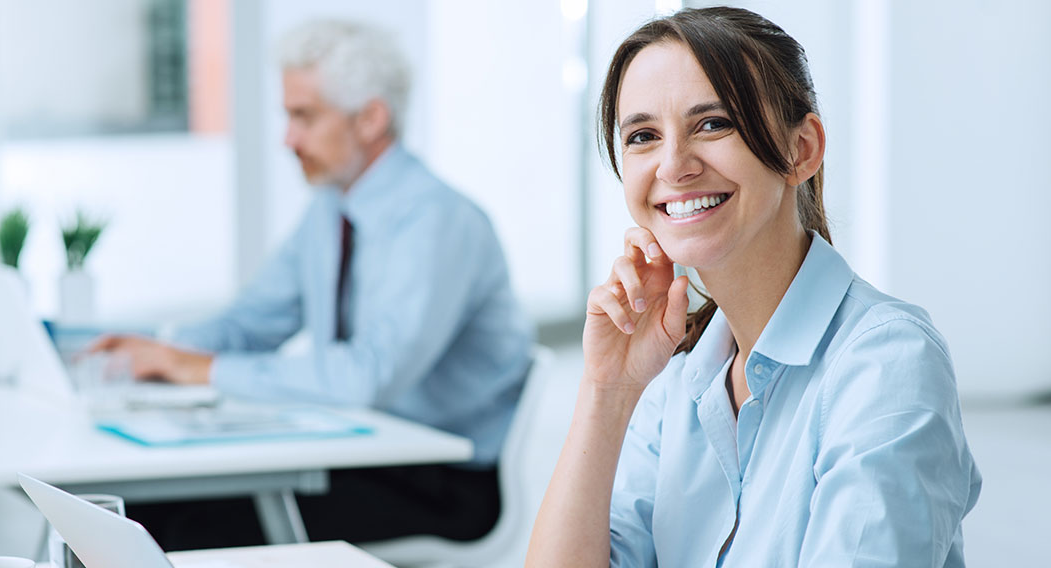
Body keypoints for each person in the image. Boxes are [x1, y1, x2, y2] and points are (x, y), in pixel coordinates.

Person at [526, 7, 980, 567]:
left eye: (713, 123)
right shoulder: (679, 379)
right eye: (643, 136)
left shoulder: (886, 363)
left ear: (802, 150)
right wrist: (608, 391)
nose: (674, 165)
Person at [91, 19, 533, 550]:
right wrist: (163, 349)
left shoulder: (438, 222)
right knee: (135, 509)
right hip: (354, 453)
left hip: (441, 481)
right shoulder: (331, 207)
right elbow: (254, 319)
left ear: (371, 118)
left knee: (174, 529)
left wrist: (200, 369)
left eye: (304, 117)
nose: (288, 139)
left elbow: (365, 378)